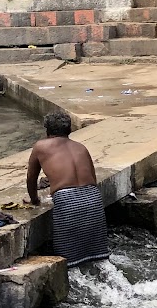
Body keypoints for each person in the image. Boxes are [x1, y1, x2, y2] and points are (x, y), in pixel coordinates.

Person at [27, 113, 109, 268]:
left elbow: (31, 178)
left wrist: (35, 200)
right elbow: (92, 178)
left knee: (68, 263)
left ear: (47, 131)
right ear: (69, 130)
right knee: (98, 259)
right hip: (93, 198)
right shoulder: (81, 147)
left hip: (67, 200)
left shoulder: (40, 146)